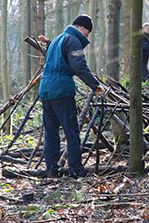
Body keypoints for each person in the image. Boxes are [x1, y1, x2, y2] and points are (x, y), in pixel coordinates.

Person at [39, 14, 104, 178]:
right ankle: (76, 170)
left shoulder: (56, 40)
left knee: (51, 132)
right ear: (83, 28)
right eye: (87, 34)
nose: (86, 38)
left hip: (45, 90)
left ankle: (52, 170)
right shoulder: (73, 40)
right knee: (72, 132)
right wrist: (95, 85)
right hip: (61, 91)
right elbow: (79, 67)